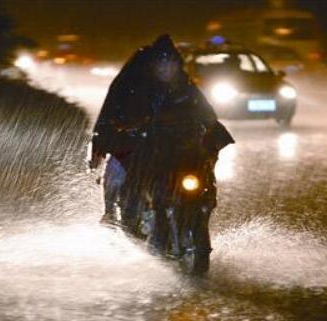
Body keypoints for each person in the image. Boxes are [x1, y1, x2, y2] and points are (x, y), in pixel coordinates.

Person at [90, 34, 234, 230]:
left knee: (203, 175)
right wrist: (109, 136)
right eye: (162, 64)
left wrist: (210, 133)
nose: (167, 69)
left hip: (177, 149)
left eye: (171, 64)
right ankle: (115, 213)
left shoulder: (185, 88)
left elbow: (206, 114)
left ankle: (201, 207)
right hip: (142, 145)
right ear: (153, 66)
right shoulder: (134, 88)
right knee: (120, 172)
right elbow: (112, 114)